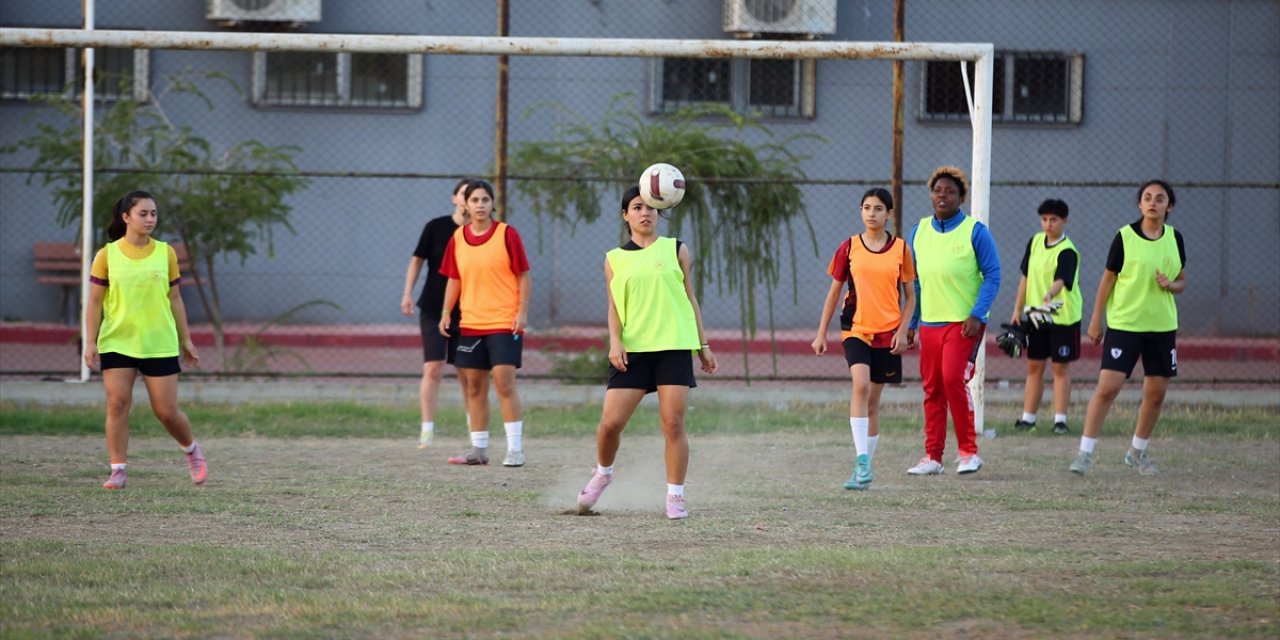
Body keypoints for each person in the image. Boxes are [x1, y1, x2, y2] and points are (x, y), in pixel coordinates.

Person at [575, 185, 718, 520]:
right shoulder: (614, 259)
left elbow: (690, 298)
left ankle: (675, 497)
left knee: (673, 424)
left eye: (651, 207)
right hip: (634, 350)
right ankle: (603, 473)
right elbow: (613, 306)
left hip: (674, 346)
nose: (645, 213)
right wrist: (615, 341)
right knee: (609, 425)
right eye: (637, 207)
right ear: (626, 215)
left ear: (660, 211)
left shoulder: (677, 249)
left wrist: (703, 345)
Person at [83, 190, 207, 490]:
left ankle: (192, 450)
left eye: (153, 213)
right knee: (117, 403)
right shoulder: (106, 255)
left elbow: (175, 298)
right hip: (118, 341)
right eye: (143, 213)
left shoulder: (166, 253)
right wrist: (90, 342)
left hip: (158, 342)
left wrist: (186, 339)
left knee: (165, 411)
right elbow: (95, 302)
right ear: (126, 217)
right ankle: (118, 470)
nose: (150, 219)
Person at [1070, 180, 1187, 476]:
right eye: (1147, 197)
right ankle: (1085, 454)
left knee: (1156, 393)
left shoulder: (1175, 238)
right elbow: (1107, 280)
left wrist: (1171, 285)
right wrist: (1096, 319)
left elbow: (1182, 280)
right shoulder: (1124, 237)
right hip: (1125, 325)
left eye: (1160, 199)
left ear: (1168, 206)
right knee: (1108, 388)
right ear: (1140, 204)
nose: (1153, 202)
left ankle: (1137, 452)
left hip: (1161, 327)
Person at [812, 188, 916, 491]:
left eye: (879, 208)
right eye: (867, 207)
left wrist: (903, 330)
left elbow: (910, 297)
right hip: (855, 328)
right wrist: (821, 333)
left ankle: (863, 471)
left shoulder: (901, 249)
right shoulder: (848, 248)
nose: (872, 213)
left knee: (873, 402)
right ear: (861, 211)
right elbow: (834, 292)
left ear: (889, 214)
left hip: (888, 334)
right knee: (859, 385)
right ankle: (860, 460)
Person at [905, 166, 1001, 476]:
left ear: (961, 197)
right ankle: (933, 457)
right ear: (930, 195)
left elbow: (993, 275)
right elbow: (916, 282)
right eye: (937, 190)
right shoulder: (918, 232)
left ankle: (969, 452)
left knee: (951, 380)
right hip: (930, 324)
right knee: (932, 388)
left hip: (963, 323)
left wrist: (977, 313)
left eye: (950, 191)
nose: (942, 195)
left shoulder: (975, 231)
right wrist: (911, 322)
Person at [438, 180, 531, 467]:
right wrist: (445, 313)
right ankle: (478, 450)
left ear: (493, 204)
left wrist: (522, 312)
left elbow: (523, 275)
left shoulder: (507, 234)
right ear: (464, 204)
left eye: (485, 199)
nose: (480, 204)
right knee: (474, 387)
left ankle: (515, 449)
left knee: (503, 383)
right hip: (471, 323)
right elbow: (454, 278)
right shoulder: (458, 238)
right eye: (474, 199)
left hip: (504, 321)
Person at [401, 178, 469, 449]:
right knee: (433, 368)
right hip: (433, 306)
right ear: (454, 198)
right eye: (465, 195)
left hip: (468, 309)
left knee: (467, 370)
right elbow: (417, 261)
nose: (469, 200)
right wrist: (407, 292)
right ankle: (427, 430)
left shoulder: (483, 233)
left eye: (476, 196)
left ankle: (474, 426)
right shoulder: (437, 227)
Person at [1010, 199, 1082, 435]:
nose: (1048, 224)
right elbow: (1025, 277)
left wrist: (1051, 292)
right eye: (1044, 219)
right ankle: (1028, 419)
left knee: (1060, 369)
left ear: (1065, 221)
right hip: (1036, 316)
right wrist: (1017, 311)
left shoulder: (1068, 250)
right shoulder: (1035, 242)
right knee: (1034, 366)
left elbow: (1062, 280)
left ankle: (1060, 421)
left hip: (1062, 317)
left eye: (1054, 219)